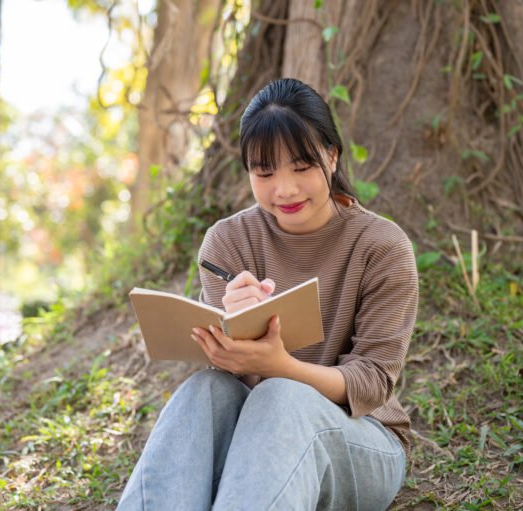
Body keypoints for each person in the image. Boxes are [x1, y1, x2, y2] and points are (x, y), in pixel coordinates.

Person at [117, 78, 418, 510]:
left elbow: (371, 383)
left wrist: (280, 367)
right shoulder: (227, 243)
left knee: (281, 395)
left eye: (301, 167)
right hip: (256, 446)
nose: (285, 189)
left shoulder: (381, 247)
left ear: (332, 157)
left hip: (362, 440)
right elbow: (233, 388)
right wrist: (231, 338)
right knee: (204, 391)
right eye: (265, 172)